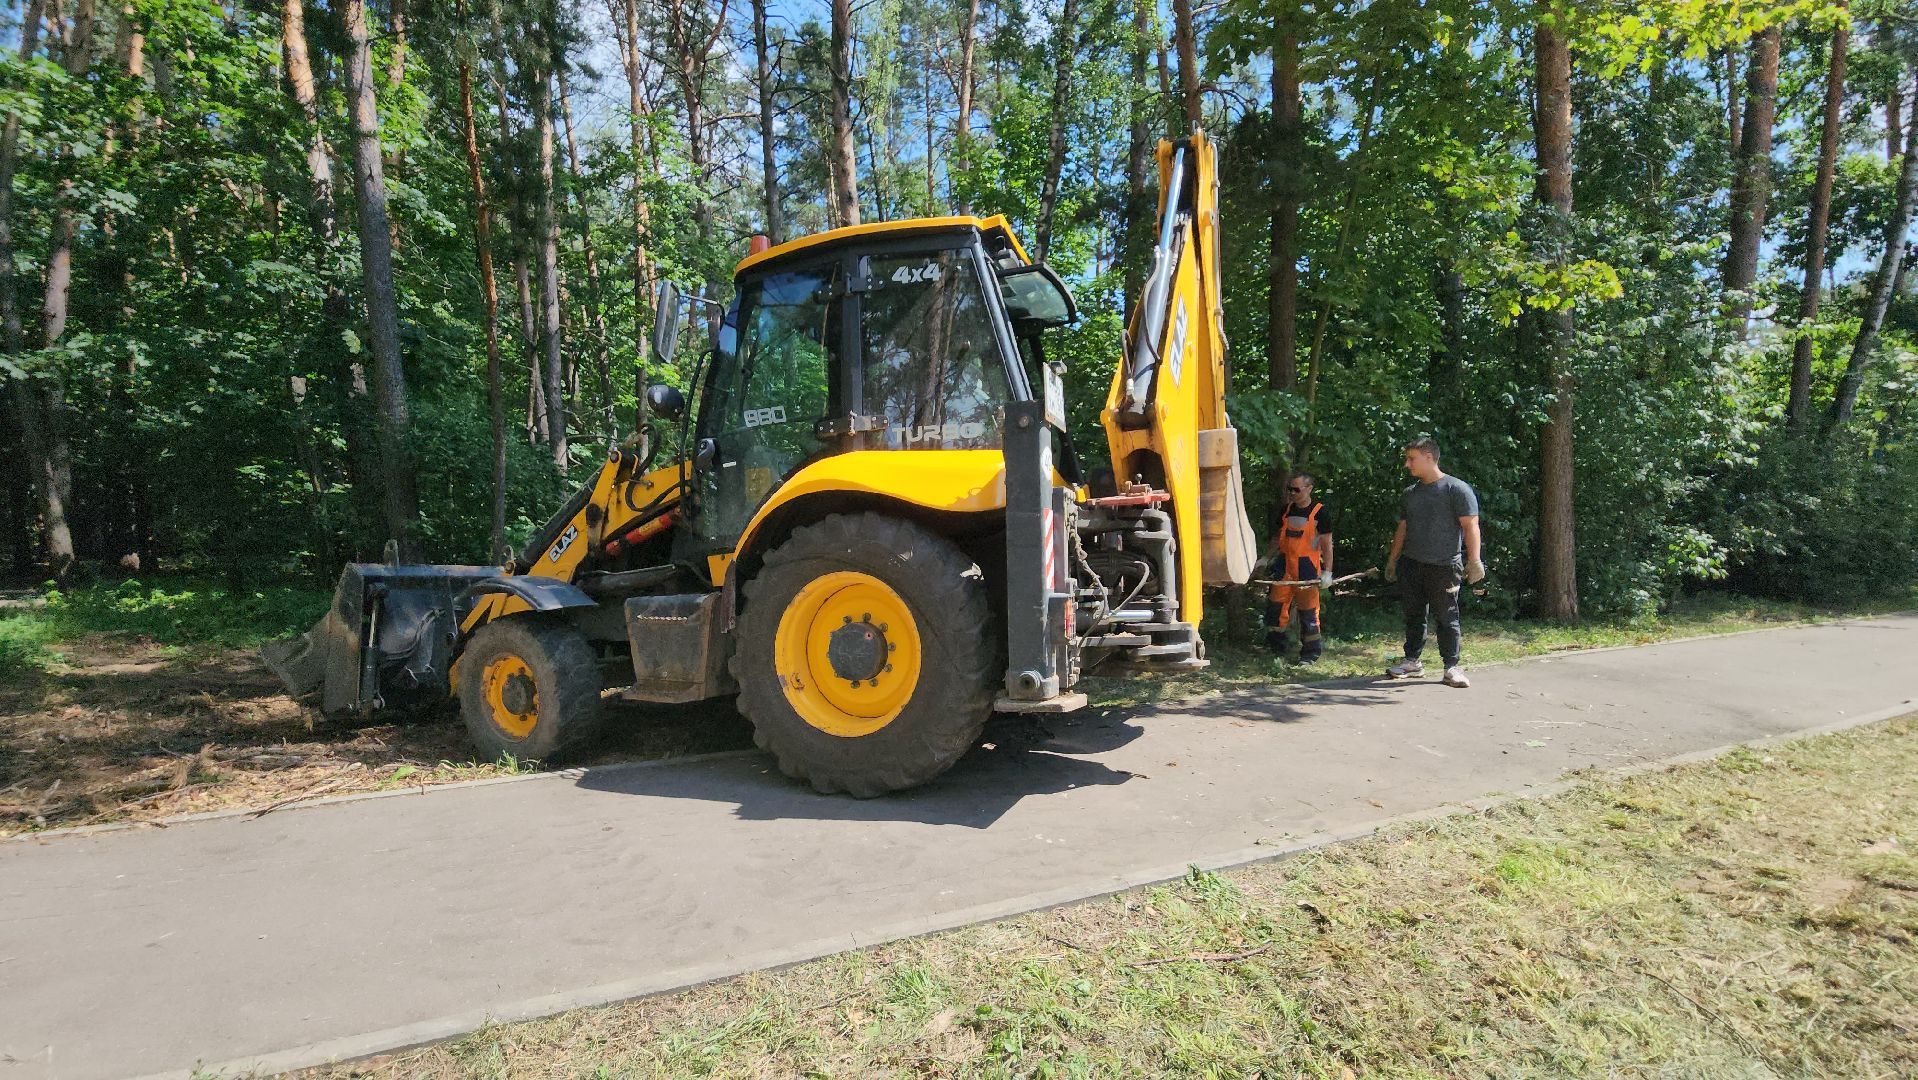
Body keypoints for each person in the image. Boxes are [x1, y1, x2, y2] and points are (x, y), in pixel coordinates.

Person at [1384, 437, 1483, 688]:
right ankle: (1412, 662)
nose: (1407, 464)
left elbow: (1471, 526)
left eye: (1411, 459)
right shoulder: (1410, 494)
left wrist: (1474, 561)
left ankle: (1451, 667)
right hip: (1412, 564)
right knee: (1414, 615)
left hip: (1444, 566)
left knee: (1447, 617)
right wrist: (1393, 560)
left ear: (1429, 457)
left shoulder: (1456, 489)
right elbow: (1402, 529)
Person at [1262, 471, 1334, 662]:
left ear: (1309, 488)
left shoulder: (1320, 512)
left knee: (1308, 613)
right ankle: (1277, 651)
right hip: (1284, 567)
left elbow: (1327, 544)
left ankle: (1310, 655)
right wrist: (1265, 558)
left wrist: (1328, 571)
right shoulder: (1286, 510)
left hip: (1307, 569)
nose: (1292, 493)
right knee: (1275, 610)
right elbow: (1277, 538)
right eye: (1289, 489)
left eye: (1296, 489)